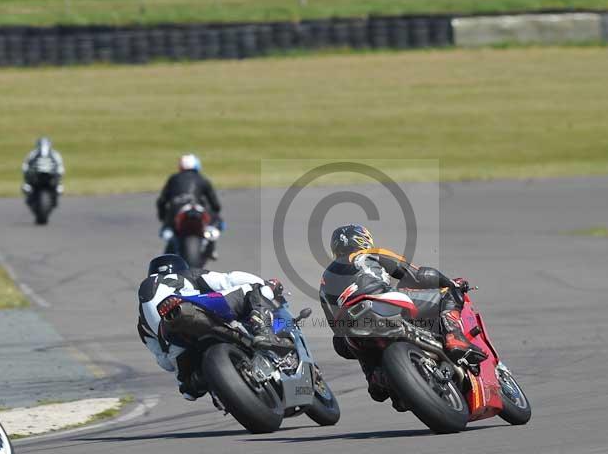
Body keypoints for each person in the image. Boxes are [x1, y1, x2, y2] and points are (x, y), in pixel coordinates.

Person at [319, 224, 484, 405]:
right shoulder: (371, 253)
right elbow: (418, 275)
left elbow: (335, 327)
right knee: (448, 295)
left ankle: (375, 377)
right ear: (363, 239)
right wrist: (449, 282)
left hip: (351, 323)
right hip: (381, 300)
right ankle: (453, 337)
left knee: (345, 342)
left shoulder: (325, 279)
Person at [137, 254, 292, 401]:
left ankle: (198, 380)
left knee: (188, 388)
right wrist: (267, 284)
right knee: (254, 290)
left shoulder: (142, 323)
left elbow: (164, 363)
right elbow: (227, 280)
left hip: (175, 343)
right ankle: (263, 330)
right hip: (191, 308)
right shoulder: (184, 275)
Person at [156, 154, 223, 256]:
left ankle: (209, 241)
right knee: (217, 221)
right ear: (197, 165)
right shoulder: (202, 179)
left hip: (176, 211)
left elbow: (161, 201)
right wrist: (216, 211)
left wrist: (163, 218)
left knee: (168, 229)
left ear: (181, 166)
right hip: (194, 211)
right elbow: (215, 203)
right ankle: (211, 246)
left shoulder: (173, 179)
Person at [21, 137, 65, 203]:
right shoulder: (34, 154)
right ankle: (28, 185)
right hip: (37, 177)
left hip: (50, 176)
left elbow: (60, 167)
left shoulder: (54, 154)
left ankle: (58, 186)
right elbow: (26, 165)